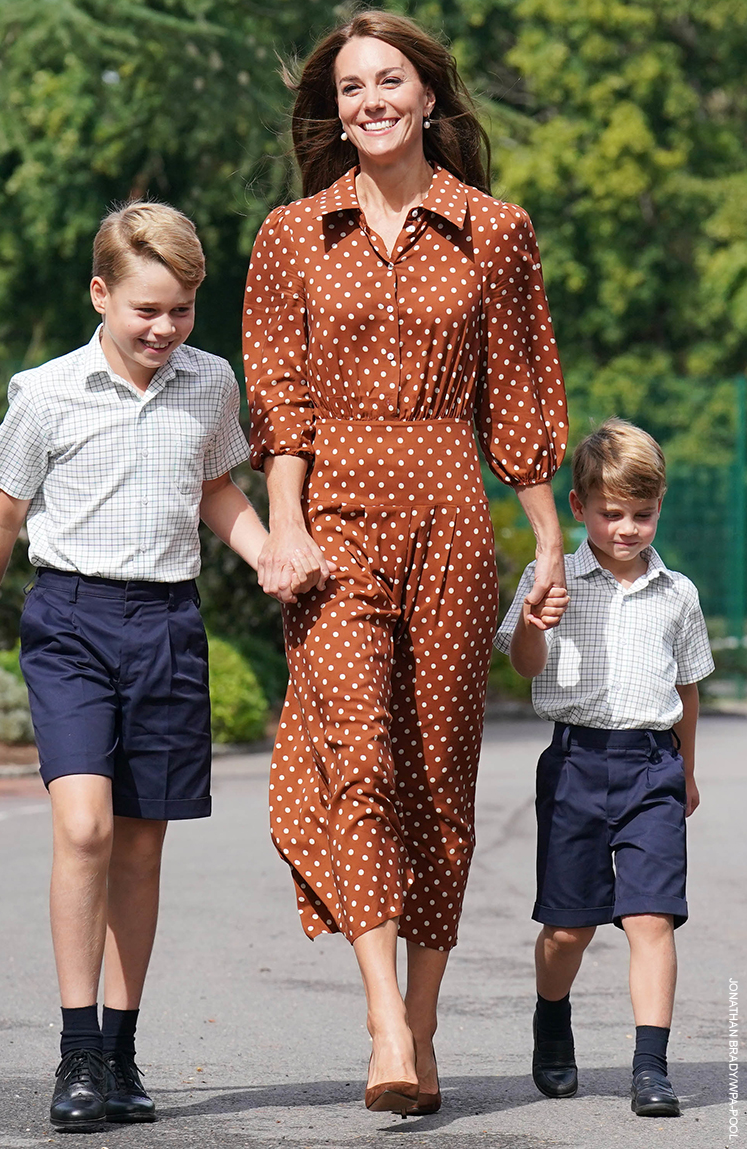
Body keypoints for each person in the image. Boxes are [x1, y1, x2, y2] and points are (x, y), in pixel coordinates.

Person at [243, 10, 568, 1117]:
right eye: (349, 88)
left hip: (449, 518)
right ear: (332, 111)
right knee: (360, 760)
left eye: (390, 81)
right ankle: (384, 1015)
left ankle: (421, 1022)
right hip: (331, 522)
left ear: (429, 96)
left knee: (437, 778)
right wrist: (282, 525)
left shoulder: (496, 230)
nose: (370, 101)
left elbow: (518, 393)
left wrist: (548, 537)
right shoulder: (291, 234)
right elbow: (277, 405)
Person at [0, 202, 292, 1133]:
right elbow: (1, 519)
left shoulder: (210, 382)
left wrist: (267, 554)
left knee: (141, 846)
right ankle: (75, 1051)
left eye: (180, 309)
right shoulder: (47, 392)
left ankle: (123, 1049)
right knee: (88, 827)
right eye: (145, 308)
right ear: (100, 293)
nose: (163, 328)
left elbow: (219, 490)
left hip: (169, 625)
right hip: (71, 623)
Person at [494, 418, 714, 1117]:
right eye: (610, 513)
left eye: (642, 514)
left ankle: (650, 1066)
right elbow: (524, 668)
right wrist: (535, 622)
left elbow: (687, 689)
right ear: (579, 507)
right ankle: (551, 1016)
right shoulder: (548, 577)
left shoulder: (677, 593)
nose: (626, 528)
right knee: (569, 929)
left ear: (659, 506)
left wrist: (686, 768)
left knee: (652, 918)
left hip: (652, 767)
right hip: (575, 764)